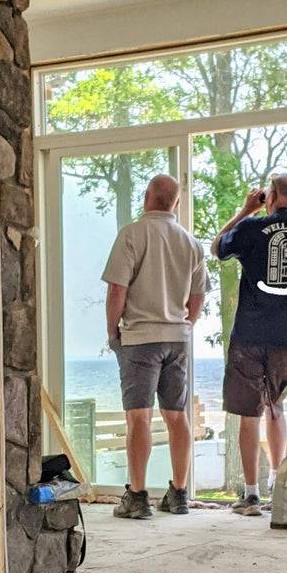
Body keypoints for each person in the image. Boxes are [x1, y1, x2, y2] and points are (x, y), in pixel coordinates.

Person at [211, 172, 287, 517]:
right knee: (276, 408)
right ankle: (278, 484)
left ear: (270, 195)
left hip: (250, 335)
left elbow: (217, 247)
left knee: (248, 414)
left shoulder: (252, 227)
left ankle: (251, 494)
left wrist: (245, 210)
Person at [103, 174, 208, 520]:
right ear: (176, 203)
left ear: (147, 196)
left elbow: (117, 290)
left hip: (140, 338)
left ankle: (137, 496)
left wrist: (113, 332)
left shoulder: (132, 235)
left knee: (139, 416)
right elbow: (197, 298)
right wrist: (185, 325)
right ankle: (179, 494)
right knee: (177, 416)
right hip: (177, 339)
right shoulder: (191, 243)